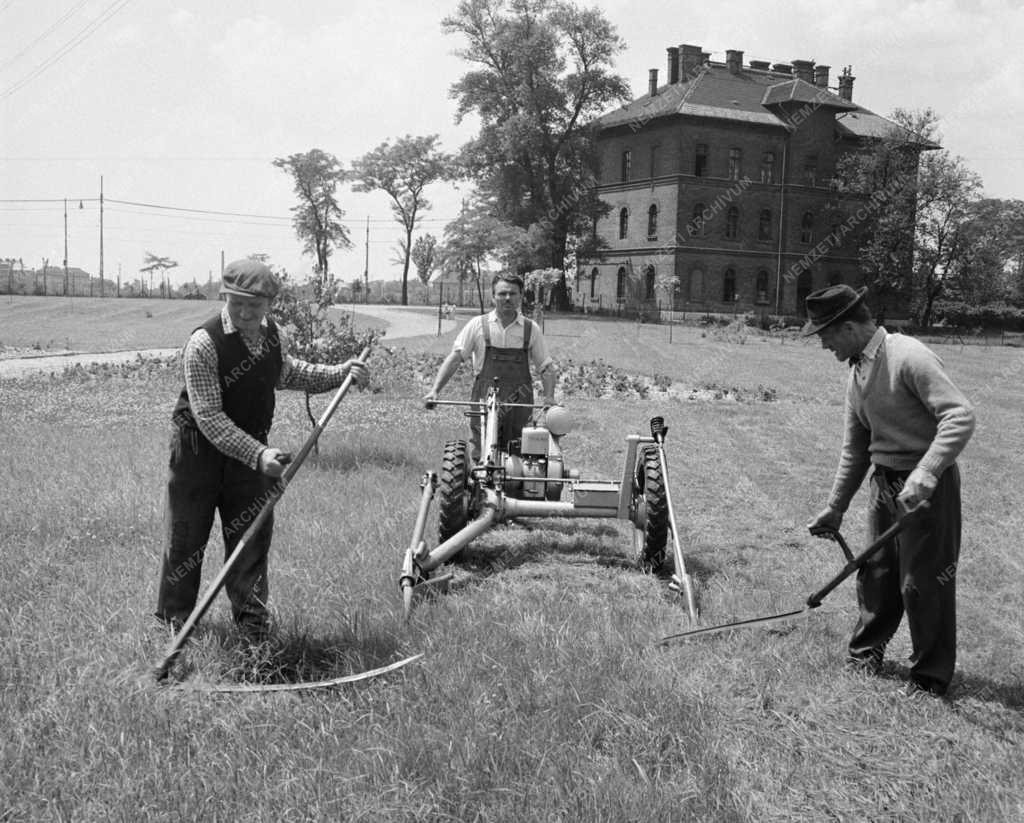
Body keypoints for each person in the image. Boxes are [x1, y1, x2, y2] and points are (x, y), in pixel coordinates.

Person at [155, 259, 369, 640]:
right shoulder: (203, 344)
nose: (244, 312)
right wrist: (258, 455)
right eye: (236, 303)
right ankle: (175, 625)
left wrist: (341, 372)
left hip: (252, 451)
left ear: (270, 303)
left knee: (251, 537)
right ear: (225, 298)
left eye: (254, 305)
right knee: (186, 540)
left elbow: (287, 372)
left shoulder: (273, 335)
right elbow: (210, 419)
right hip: (198, 452)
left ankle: (252, 629)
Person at [803, 284, 974, 697]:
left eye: (824, 335)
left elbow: (959, 415)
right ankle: (866, 656)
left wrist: (927, 471)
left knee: (923, 581)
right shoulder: (857, 372)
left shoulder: (909, 356)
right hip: (884, 484)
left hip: (926, 488)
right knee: (877, 573)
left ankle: (929, 677)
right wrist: (835, 507)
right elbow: (856, 448)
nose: (823, 345)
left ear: (847, 328)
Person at [423, 273, 557, 460]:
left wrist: (549, 397)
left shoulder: (530, 328)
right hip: (484, 399)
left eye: (513, 293)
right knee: (481, 451)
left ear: (521, 296)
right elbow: (455, 358)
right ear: (493, 296)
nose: (507, 298)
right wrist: (435, 391)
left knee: (519, 453)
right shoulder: (477, 325)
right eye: (502, 293)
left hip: (519, 402)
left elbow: (546, 367)